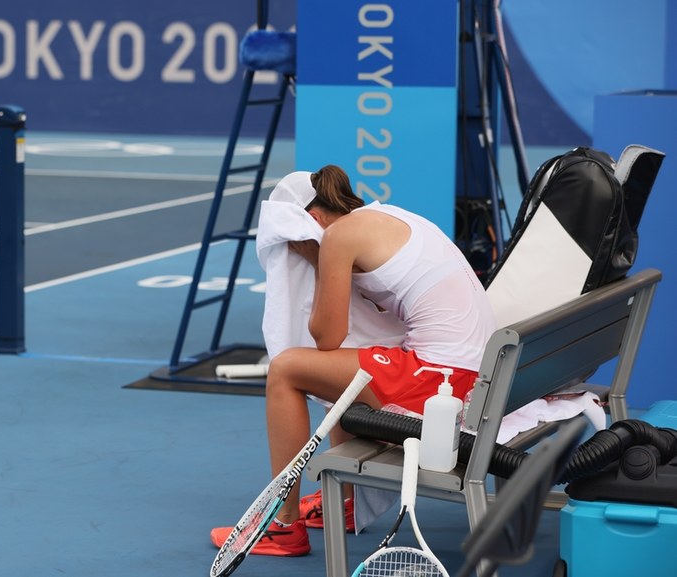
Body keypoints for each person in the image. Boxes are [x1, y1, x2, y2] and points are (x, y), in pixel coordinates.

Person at [210, 165, 497, 556]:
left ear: (310, 221)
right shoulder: (387, 215)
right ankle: (345, 503)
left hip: (444, 384)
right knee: (351, 369)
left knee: (285, 369)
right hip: (472, 374)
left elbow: (326, 339)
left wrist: (316, 260)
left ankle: (282, 524)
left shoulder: (338, 238)